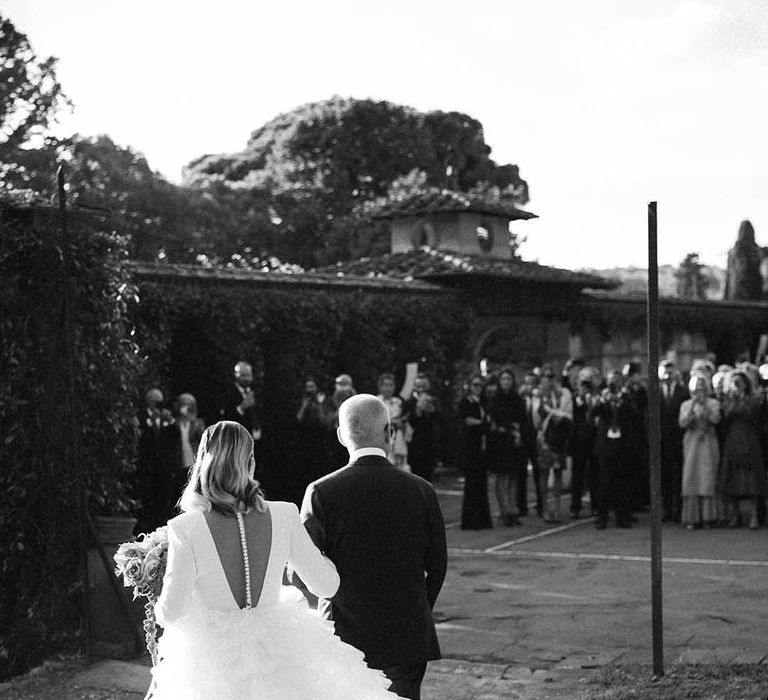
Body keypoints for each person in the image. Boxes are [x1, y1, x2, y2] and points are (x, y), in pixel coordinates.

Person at [151, 421, 392, 699]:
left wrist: (158, 576)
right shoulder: (285, 515)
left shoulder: (186, 528)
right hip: (279, 651)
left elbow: (170, 612)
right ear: (251, 463)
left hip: (211, 666)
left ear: (202, 463)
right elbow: (327, 587)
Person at [301, 394, 447, 700]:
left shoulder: (321, 492)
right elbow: (437, 565)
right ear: (389, 432)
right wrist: (420, 607)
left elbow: (307, 566)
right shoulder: (421, 490)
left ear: (341, 436)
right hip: (407, 630)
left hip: (345, 631)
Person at [719, 370, 766, 529]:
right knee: (732, 478)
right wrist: (733, 400)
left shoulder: (753, 399)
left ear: (746, 384)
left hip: (749, 439)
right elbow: (726, 415)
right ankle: (735, 515)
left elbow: (751, 414)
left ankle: (754, 515)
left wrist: (741, 400)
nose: (736, 385)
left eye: (739, 382)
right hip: (733, 440)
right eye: (734, 382)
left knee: (752, 480)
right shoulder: (728, 399)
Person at [531, 366, 573, 523]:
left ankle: (557, 507)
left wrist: (556, 412)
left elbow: (567, 413)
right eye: (544, 377)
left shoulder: (563, 393)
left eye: (550, 377)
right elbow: (536, 418)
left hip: (559, 437)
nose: (547, 380)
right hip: (544, 438)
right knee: (543, 472)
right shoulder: (539, 395)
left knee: (557, 472)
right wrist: (545, 405)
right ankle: (545, 508)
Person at [679, 374, 721, 530]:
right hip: (692, 443)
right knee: (691, 476)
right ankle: (692, 517)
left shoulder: (714, 403)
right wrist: (692, 409)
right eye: (696, 389)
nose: (699, 391)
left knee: (708, 476)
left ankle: (709, 517)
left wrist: (705, 409)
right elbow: (682, 423)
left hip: (708, 442)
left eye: (702, 388)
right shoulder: (685, 405)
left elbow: (716, 420)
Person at [592, 371, 633, 529]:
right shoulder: (603, 398)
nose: (613, 385)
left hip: (622, 445)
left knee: (621, 482)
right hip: (606, 445)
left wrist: (620, 401)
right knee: (604, 483)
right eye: (610, 381)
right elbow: (594, 412)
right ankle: (602, 517)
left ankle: (622, 517)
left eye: (615, 381)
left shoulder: (626, 397)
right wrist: (604, 400)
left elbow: (633, 414)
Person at [487, 368, 527, 526]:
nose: (506, 382)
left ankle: (512, 509)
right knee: (502, 477)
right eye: (503, 379)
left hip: (514, 441)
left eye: (509, 379)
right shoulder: (495, 400)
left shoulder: (517, 399)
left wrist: (517, 431)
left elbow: (522, 418)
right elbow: (493, 421)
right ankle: (504, 511)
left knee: (513, 476)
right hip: (500, 442)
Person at [134, 388, 173, 534]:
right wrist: (150, 421)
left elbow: (173, 437)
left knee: (162, 497)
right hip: (147, 465)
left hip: (162, 466)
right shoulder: (142, 417)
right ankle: (146, 528)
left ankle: (160, 526)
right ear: (149, 402)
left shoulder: (165, 418)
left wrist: (170, 421)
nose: (158, 406)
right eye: (156, 402)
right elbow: (141, 437)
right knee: (147, 496)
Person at [162, 393, 206, 519]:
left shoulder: (198, 424)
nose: (187, 408)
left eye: (190, 405)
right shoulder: (173, 424)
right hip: (177, 464)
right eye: (184, 405)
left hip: (194, 464)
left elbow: (203, 438)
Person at [459, 374, 493, 530]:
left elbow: (488, 421)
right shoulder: (465, 402)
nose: (478, 388)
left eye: (480, 385)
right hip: (470, 447)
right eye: (475, 385)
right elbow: (466, 421)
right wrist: (481, 423)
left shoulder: (485, 403)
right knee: (471, 484)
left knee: (482, 483)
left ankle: (483, 518)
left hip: (482, 447)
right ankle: (470, 520)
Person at [659, 361, 689, 522]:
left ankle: (679, 509)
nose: (667, 375)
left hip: (677, 440)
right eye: (664, 372)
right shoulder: (654, 392)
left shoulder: (683, 392)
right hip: (661, 441)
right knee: (664, 477)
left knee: (677, 475)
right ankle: (667, 509)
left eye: (670, 372)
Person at [569, 370, 598, 519]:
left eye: (589, 381)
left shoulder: (597, 397)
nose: (586, 384)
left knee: (594, 474)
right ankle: (575, 506)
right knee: (578, 474)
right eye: (583, 381)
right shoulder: (575, 398)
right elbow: (574, 412)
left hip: (594, 439)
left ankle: (596, 505)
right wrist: (580, 396)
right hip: (579, 441)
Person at [404, 373, 441, 482]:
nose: (421, 389)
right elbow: (408, 421)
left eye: (424, 386)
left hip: (430, 444)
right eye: (419, 386)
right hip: (414, 445)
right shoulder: (409, 402)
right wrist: (418, 411)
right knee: (415, 477)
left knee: (428, 477)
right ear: (414, 386)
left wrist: (432, 410)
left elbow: (442, 419)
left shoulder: (434, 400)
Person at [519, 370, 544, 517]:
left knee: (538, 472)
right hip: (523, 438)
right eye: (526, 383)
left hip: (536, 437)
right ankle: (522, 506)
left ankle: (541, 504)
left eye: (531, 383)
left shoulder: (539, 398)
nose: (529, 386)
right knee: (521, 472)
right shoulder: (520, 399)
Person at [321, 373, 356, 472]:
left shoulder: (355, 400)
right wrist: (339, 407)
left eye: (346, 384)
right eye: (341, 384)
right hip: (333, 440)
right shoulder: (329, 401)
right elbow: (326, 420)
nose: (343, 387)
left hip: (351, 439)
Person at [377, 373, 408, 470]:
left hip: (398, 437)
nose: (388, 388)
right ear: (380, 387)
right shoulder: (376, 401)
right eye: (386, 385)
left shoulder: (398, 401)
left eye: (391, 385)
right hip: (382, 437)